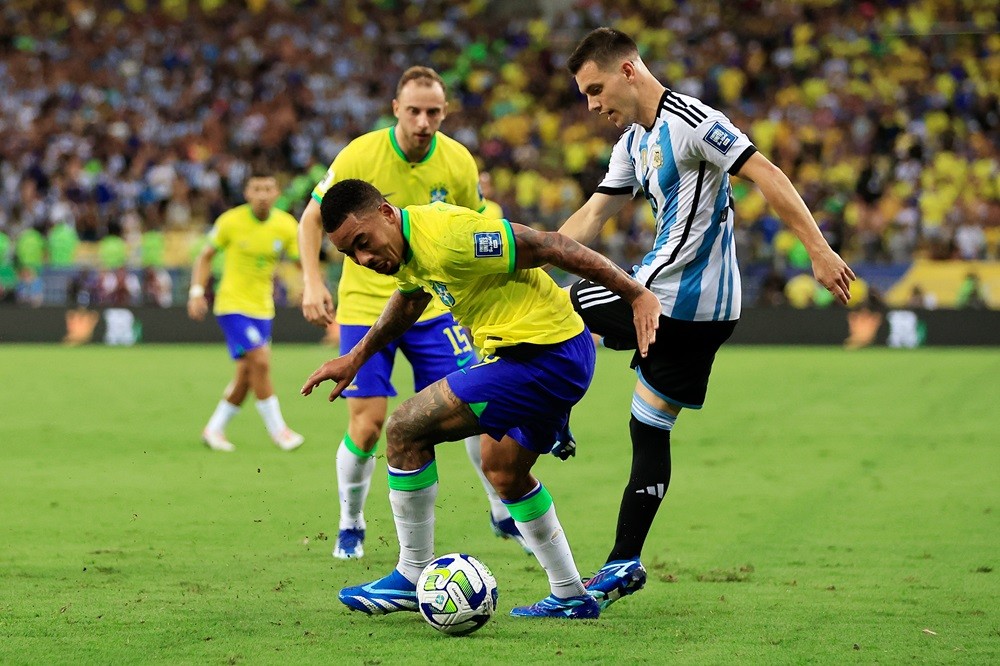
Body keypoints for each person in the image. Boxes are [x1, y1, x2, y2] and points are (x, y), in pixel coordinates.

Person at [558, 28, 856, 610]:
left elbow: (765, 172)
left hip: (674, 299)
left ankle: (548, 415)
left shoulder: (690, 120)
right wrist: (539, 257)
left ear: (628, 71)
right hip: (710, 313)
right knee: (650, 426)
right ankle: (623, 561)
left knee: (564, 308)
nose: (592, 106)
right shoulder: (632, 144)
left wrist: (818, 249)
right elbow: (593, 215)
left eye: (595, 90)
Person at [300, 179, 660, 618]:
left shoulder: (450, 239)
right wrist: (355, 357)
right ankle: (570, 595)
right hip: (545, 353)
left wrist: (637, 294)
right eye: (349, 253)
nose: (363, 259)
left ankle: (413, 575)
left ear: (387, 213)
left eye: (362, 242)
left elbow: (549, 244)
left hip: (542, 357)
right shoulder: (408, 250)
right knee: (503, 471)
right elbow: (411, 298)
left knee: (404, 429)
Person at [297, 66, 525, 560]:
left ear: (445, 113)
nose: (424, 121)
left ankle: (501, 509)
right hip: (364, 306)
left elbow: (478, 223)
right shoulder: (361, 154)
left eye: (434, 112)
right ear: (396, 110)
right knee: (368, 424)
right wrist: (313, 281)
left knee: (473, 406)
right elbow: (313, 216)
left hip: (434, 308)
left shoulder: (458, 162)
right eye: (415, 111)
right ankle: (350, 524)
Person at [188, 171, 304, 453]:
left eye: (268, 188)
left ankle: (214, 429)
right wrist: (196, 292)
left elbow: (302, 261)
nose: (263, 194)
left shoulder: (286, 225)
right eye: (256, 188)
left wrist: (306, 288)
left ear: (277, 193)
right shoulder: (230, 221)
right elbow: (205, 256)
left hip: (263, 309)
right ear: (247, 193)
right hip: (232, 306)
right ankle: (279, 431)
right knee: (261, 362)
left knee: (247, 375)